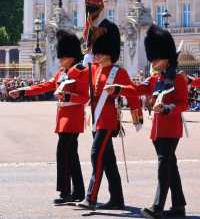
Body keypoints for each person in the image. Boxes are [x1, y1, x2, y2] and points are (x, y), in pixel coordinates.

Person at [105, 24, 188, 218]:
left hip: (171, 129)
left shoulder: (179, 78)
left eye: (156, 58)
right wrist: (119, 88)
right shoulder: (155, 79)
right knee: (170, 166)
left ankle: (158, 207)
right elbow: (136, 89)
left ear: (166, 57)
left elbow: (183, 104)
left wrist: (167, 108)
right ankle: (179, 205)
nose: (153, 62)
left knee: (163, 167)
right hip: (158, 132)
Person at [69, 19, 141, 210]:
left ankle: (90, 197)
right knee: (107, 160)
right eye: (96, 51)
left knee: (96, 155)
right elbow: (73, 78)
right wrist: (81, 65)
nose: (96, 54)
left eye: (99, 51)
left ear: (109, 52)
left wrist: (136, 117)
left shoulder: (118, 71)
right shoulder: (94, 70)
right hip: (96, 119)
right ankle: (117, 199)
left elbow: (133, 92)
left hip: (108, 120)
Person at [9, 30, 87, 204]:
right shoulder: (61, 72)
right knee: (71, 156)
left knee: (62, 154)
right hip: (63, 120)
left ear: (72, 56)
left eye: (62, 56)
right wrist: (22, 91)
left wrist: (68, 97)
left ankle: (65, 192)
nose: (59, 59)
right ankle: (79, 192)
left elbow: (84, 97)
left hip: (73, 120)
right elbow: (45, 86)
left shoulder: (81, 71)